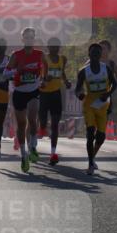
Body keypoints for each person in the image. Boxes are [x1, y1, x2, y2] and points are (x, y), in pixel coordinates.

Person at [3, 28, 46, 173]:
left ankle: (33, 146)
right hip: (19, 92)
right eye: (26, 37)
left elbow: (45, 68)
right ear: (22, 40)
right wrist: (17, 70)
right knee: (21, 125)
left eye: (31, 37)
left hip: (33, 91)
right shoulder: (16, 55)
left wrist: (43, 79)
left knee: (33, 118)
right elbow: (5, 73)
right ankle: (23, 154)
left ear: (34, 39)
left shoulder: (40, 54)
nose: (29, 40)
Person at [75, 42, 117, 176]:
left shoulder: (106, 69)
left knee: (101, 137)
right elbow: (77, 89)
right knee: (90, 134)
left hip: (103, 105)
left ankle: (92, 157)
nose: (95, 55)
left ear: (100, 55)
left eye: (98, 53)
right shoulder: (83, 71)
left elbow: (114, 84)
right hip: (89, 106)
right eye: (93, 53)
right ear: (89, 54)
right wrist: (80, 94)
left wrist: (108, 94)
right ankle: (90, 163)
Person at [38, 37, 71, 165]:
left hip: (56, 93)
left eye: (56, 46)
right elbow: (39, 75)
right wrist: (45, 78)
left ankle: (53, 153)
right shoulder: (43, 58)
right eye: (52, 46)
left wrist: (66, 81)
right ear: (48, 47)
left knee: (55, 124)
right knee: (43, 122)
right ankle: (40, 129)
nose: (54, 48)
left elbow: (62, 72)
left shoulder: (63, 59)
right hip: (44, 93)